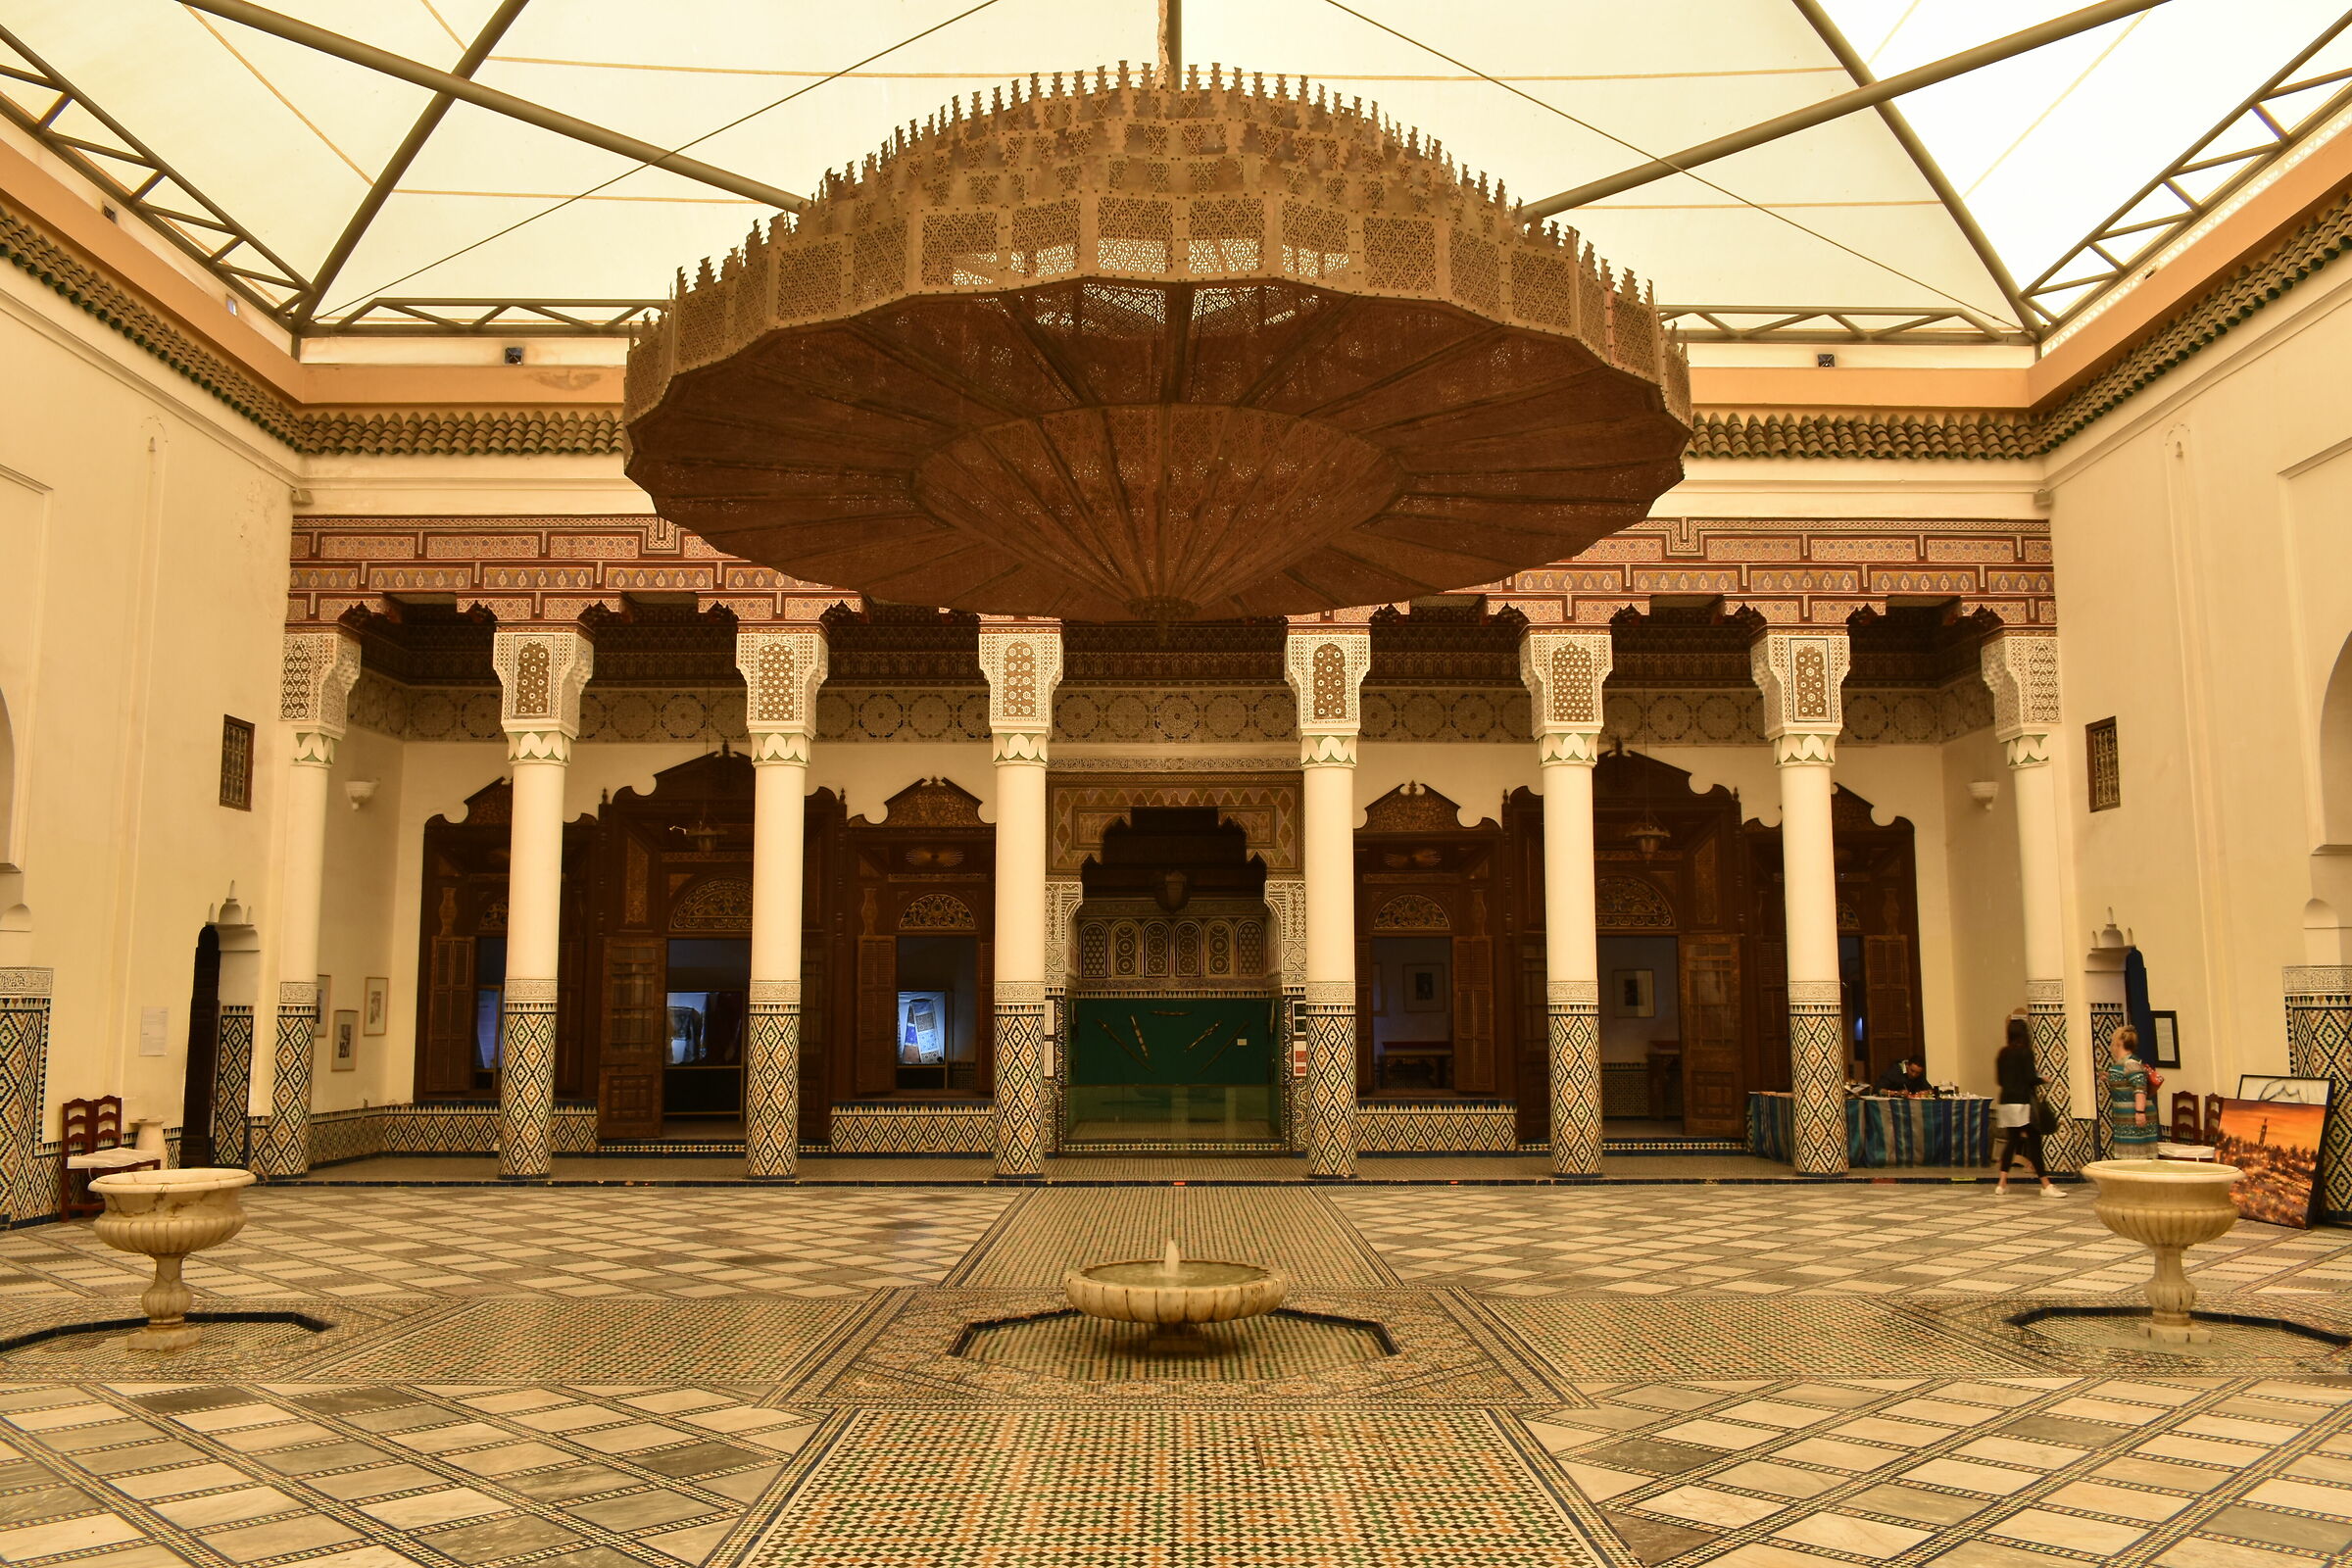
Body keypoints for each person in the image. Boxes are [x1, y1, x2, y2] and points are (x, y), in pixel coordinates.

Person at [1993, 1017, 2062, 1197]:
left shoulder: (2002, 1053)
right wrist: (2043, 1079)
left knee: (2012, 1140)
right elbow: (2030, 1078)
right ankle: (2046, 1185)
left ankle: (2001, 1183)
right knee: (2034, 1142)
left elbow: (2000, 1080)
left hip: (2006, 1102)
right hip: (2023, 1102)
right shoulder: (2025, 1052)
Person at [2105, 1026, 2160, 1155]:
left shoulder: (2130, 1063)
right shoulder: (2124, 1062)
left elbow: (2140, 1088)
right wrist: (2109, 1077)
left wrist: (2140, 1112)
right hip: (2124, 1117)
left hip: (2133, 1116)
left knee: (2136, 1155)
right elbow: (2126, 1082)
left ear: (2119, 1043)